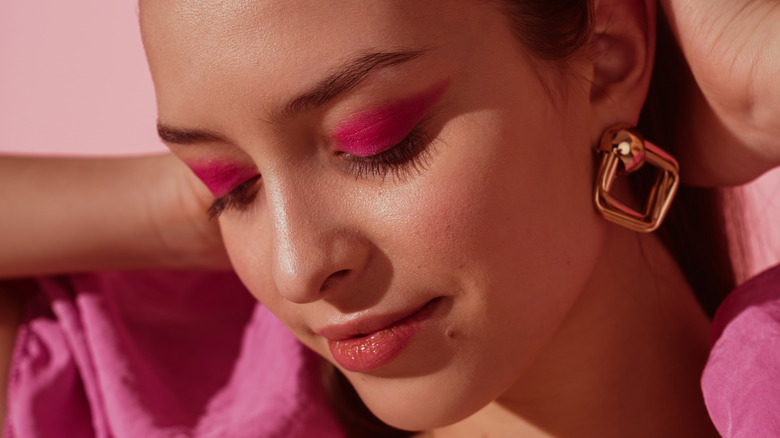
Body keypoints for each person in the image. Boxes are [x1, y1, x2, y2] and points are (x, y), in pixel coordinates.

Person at [1, 0, 778, 436]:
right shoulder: (182, 400)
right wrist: (183, 209)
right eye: (228, 182)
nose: (295, 268)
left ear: (604, 57)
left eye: (377, 143)